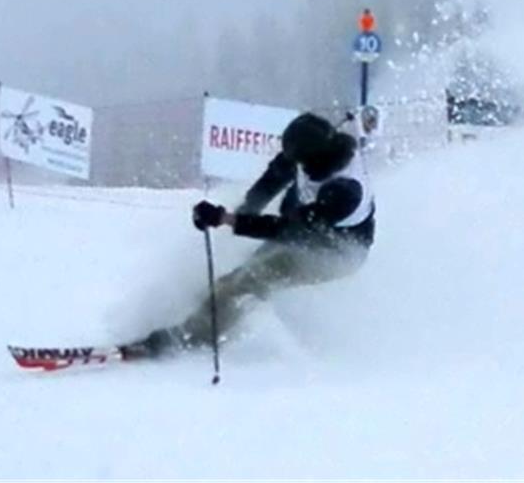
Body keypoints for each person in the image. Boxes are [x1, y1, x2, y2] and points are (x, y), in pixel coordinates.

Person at [124, 111, 376, 359]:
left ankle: (192, 336)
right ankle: (201, 317)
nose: (295, 164)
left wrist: (226, 219)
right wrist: (247, 209)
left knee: (250, 278)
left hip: (335, 253)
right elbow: (275, 176)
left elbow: (286, 230)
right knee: (233, 278)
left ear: (314, 159)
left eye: (299, 161)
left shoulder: (344, 192)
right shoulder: (316, 148)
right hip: (306, 231)